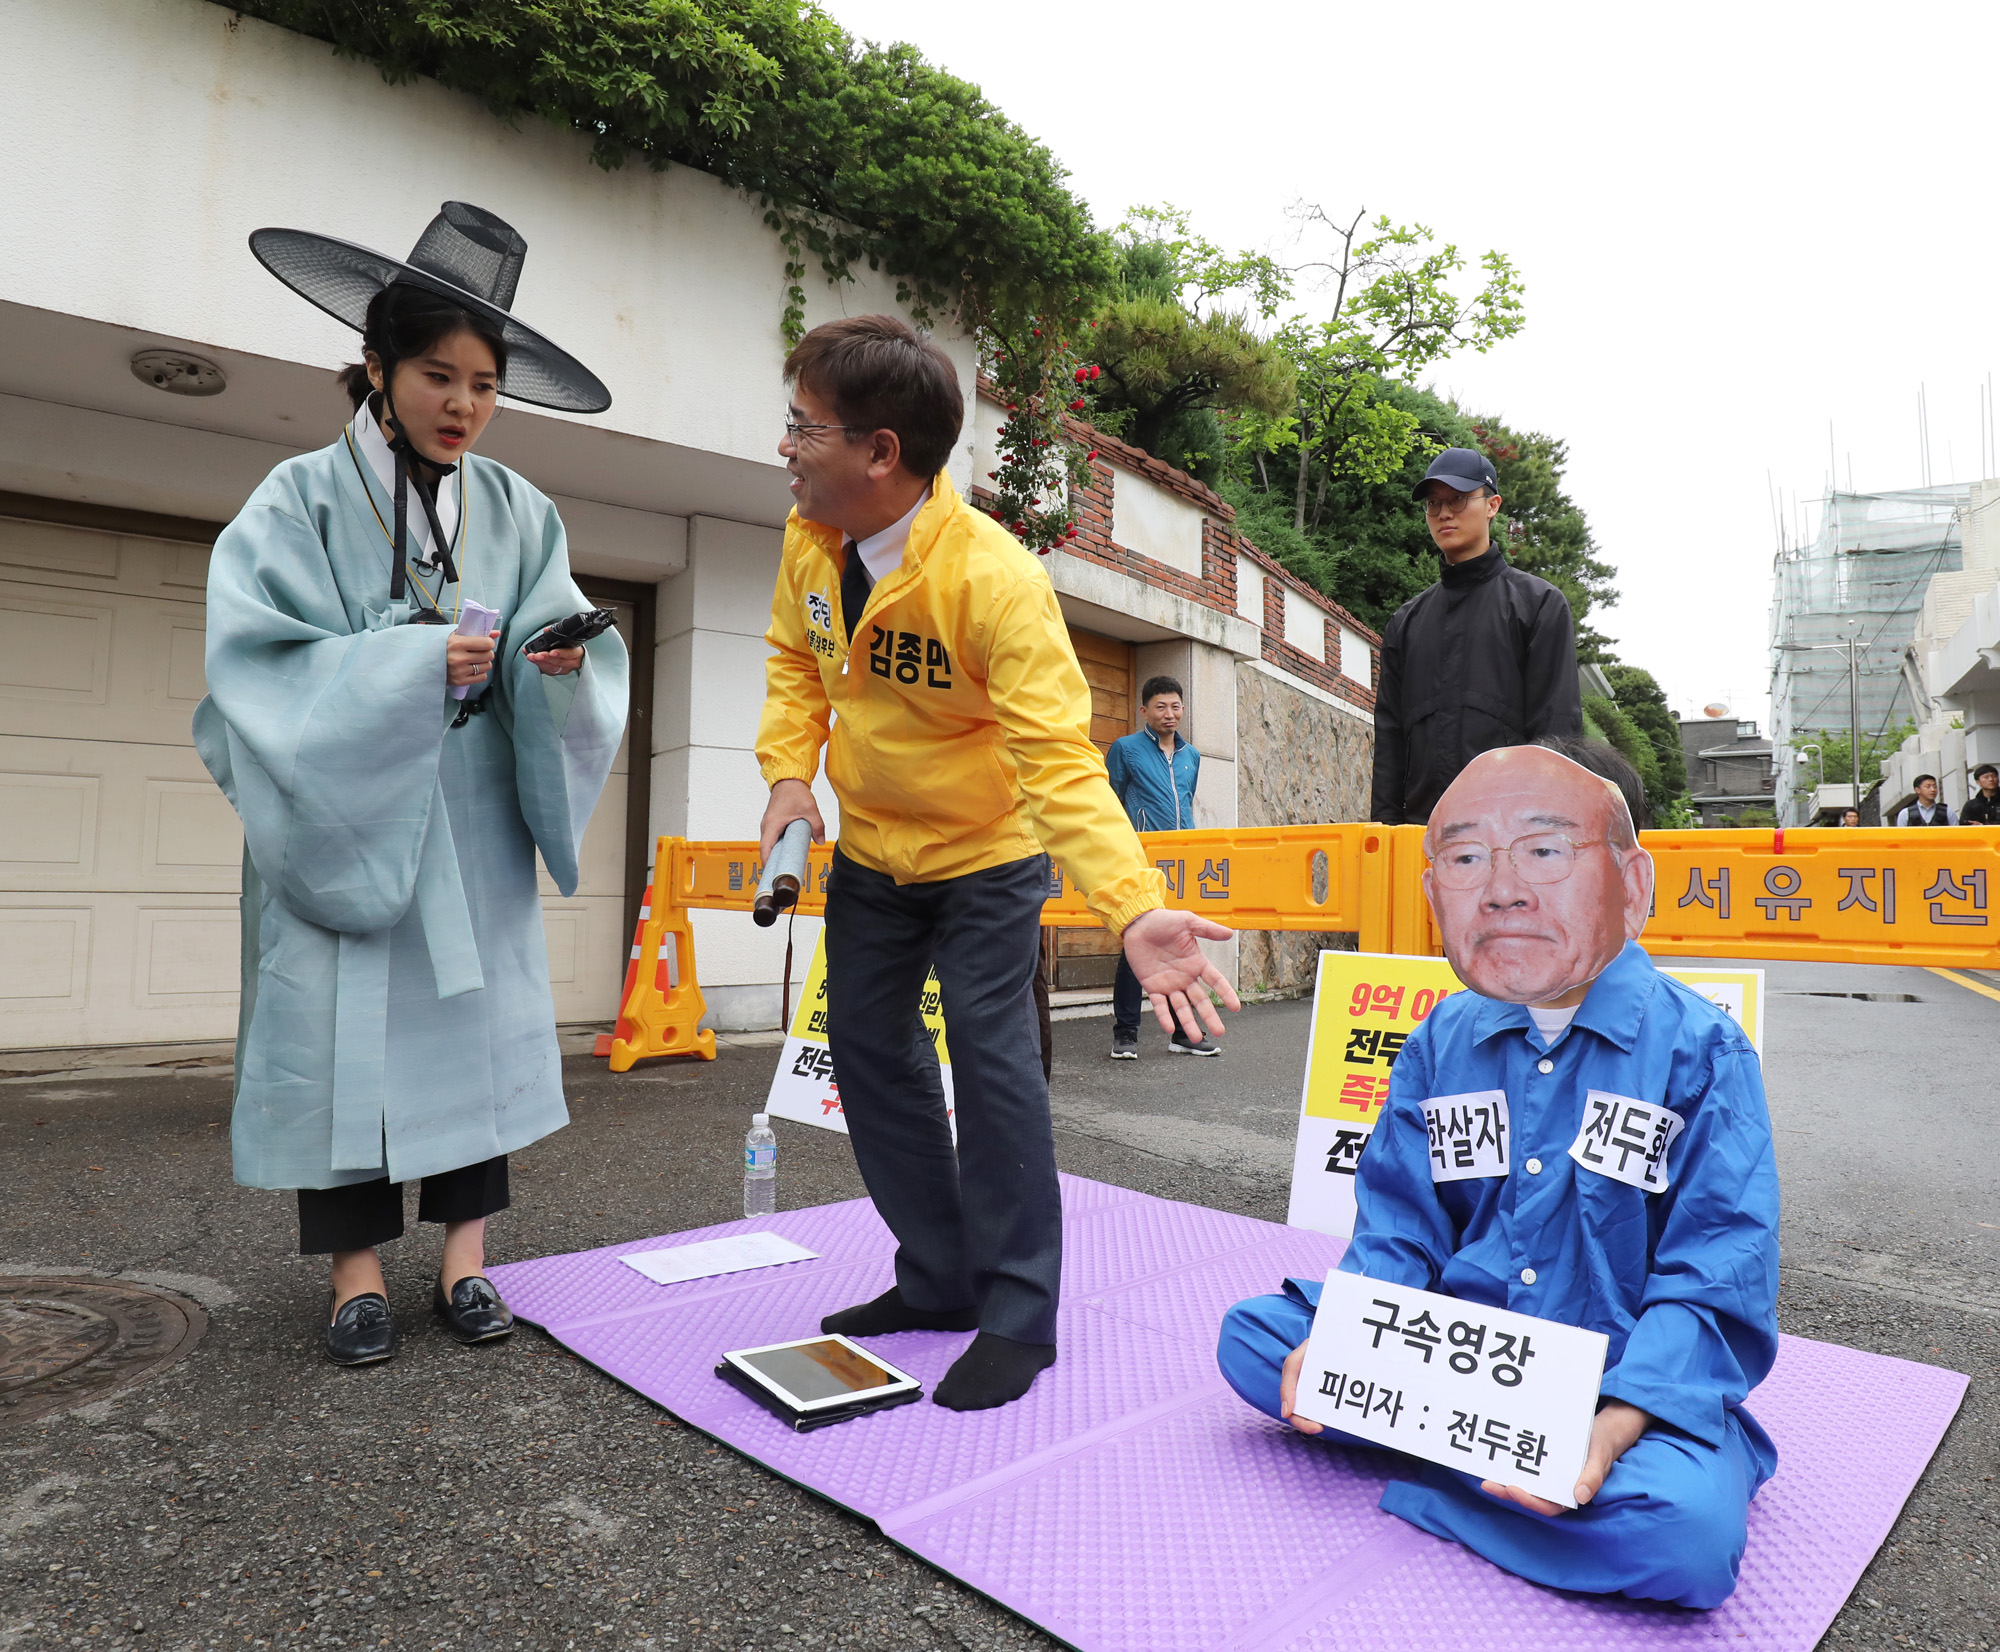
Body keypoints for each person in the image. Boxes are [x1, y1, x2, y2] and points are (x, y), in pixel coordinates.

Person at [756, 315, 1239, 1410]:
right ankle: (935, 1276)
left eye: (804, 427)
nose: (785, 446)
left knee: (991, 1058)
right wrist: (791, 773)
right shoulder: (806, 539)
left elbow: (1058, 766)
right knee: (867, 1053)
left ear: (881, 451)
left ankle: (1020, 1309)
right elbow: (794, 661)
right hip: (875, 852)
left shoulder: (995, 581)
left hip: (986, 859)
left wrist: (1129, 909)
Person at [198, 203, 628, 1366]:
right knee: (337, 1037)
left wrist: (556, 666)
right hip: (346, 812)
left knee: (470, 1030)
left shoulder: (518, 507)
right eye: (438, 375)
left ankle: (466, 1262)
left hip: (472, 819)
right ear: (378, 369)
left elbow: (557, 634)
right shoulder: (296, 497)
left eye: (484, 385)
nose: (462, 405)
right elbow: (254, 660)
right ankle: (352, 1280)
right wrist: (399, 667)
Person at [1218, 743, 1779, 1609]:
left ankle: (1453, 1473)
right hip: (1463, 1349)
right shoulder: (1444, 1037)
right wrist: (1350, 1342)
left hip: (1617, 1376)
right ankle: (1505, 1471)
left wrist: (1614, 1425)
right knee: (1255, 1339)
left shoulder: (1703, 1050)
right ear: (1434, 890)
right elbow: (1400, 1228)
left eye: (1547, 853)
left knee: (1685, 1536)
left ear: (1632, 884)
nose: (1503, 890)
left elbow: (1717, 1273)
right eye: (1468, 858)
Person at [1371, 449, 1582, 826]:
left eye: (1458, 499)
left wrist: (1545, 829)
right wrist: (1385, 830)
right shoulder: (1406, 622)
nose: (1444, 513)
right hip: (1423, 832)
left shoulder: (1538, 605)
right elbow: (1390, 737)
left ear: (1492, 505)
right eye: (1433, 503)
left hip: (1510, 834)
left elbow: (1557, 731)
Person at [1104, 677, 1217, 1059]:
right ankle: (1126, 1033)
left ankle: (1183, 1034)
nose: (1169, 714)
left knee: (1179, 943)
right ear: (1144, 711)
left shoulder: (1192, 756)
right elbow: (1110, 802)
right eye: (1160, 707)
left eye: (1176, 707)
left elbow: (1186, 802)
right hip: (1141, 861)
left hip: (1183, 863)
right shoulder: (1125, 749)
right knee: (1137, 945)